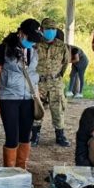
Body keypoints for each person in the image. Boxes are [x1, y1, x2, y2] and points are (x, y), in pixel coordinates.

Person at [0, 19, 43, 169]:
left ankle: (21, 171)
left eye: (35, 40)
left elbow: (33, 76)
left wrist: (37, 97)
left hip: (28, 98)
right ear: (21, 33)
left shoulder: (33, 50)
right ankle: (10, 174)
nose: (32, 42)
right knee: (12, 137)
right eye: (30, 38)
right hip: (9, 98)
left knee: (25, 136)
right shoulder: (4, 48)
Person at [30, 17, 71, 147]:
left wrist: (57, 76)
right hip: (39, 83)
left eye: (53, 29)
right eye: (48, 29)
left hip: (55, 82)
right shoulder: (35, 44)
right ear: (41, 30)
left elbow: (65, 64)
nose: (51, 31)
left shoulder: (62, 46)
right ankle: (35, 136)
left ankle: (60, 136)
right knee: (36, 109)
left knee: (58, 109)